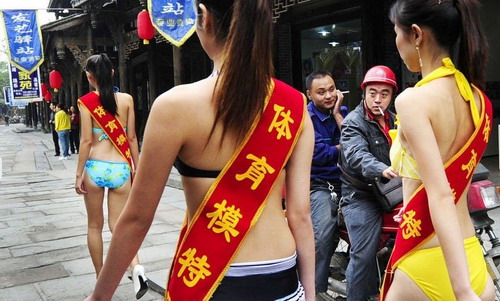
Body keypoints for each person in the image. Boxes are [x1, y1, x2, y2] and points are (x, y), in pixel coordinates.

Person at [84, 1, 315, 300]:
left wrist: (99, 296)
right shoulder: (294, 106)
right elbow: (300, 215)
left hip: (209, 277)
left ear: (204, 17)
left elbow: (137, 218)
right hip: (282, 275)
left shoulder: (174, 106)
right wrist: (309, 294)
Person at [381, 0, 494, 300]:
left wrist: (461, 290)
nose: (396, 43)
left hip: (427, 262)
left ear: (416, 35)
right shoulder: (479, 99)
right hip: (471, 255)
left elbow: (441, 194)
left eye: (396, 33)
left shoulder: (412, 101)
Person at [75, 53, 148, 299]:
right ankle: (136, 266)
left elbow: (86, 141)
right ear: (113, 73)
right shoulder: (126, 99)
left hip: (95, 167)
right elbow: (132, 138)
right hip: (120, 169)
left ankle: (100, 284)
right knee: (119, 226)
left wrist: (78, 174)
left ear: (89, 77)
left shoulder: (85, 102)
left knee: (94, 226)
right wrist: (136, 169)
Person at [338, 65, 399, 301]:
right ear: (363, 93)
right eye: (372, 92)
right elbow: (356, 155)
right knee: (363, 254)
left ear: (391, 96)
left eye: (384, 94)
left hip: (393, 190)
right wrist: (382, 168)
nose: (378, 99)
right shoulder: (353, 122)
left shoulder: (394, 119)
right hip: (361, 196)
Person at [305, 70, 347, 295]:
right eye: (321, 92)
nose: (329, 95)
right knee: (322, 235)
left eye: (332, 89)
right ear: (309, 94)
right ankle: (315, 290)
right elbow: (319, 154)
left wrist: (339, 114)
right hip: (320, 184)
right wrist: (342, 148)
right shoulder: (306, 119)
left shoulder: (343, 112)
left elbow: (355, 141)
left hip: (349, 182)